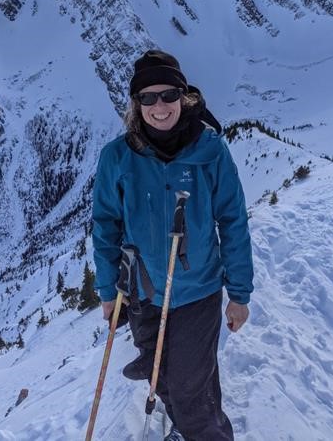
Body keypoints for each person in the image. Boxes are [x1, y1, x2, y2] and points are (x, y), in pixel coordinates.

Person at [92, 50, 254, 441]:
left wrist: (239, 294)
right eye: (148, 97)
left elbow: (233, 220)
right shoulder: (117, 157)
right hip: (142, 291)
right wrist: (107, 291)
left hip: (198, 290)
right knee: (160, 372)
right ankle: (184, 425)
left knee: (189, 390)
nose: (159, 106)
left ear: (184, 96)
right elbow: (106, 225)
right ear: (136, 103)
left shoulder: (210, 151)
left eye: (168, 95)